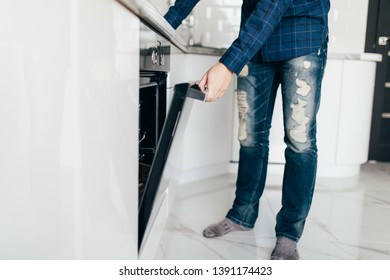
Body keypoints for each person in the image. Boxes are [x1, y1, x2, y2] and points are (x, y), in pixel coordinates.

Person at [164, 0, 330, 260]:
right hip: (256, 39)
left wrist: (228, 64)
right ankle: (243, 213)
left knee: (300, 141)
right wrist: (162, 25)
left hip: (302, 36)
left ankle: (289, 232)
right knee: (249, 134)